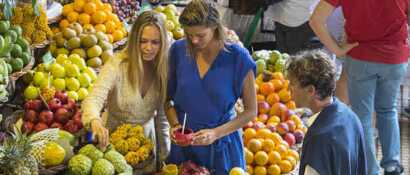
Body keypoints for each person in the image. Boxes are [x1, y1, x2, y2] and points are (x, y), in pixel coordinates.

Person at [309, 1, 409, 174]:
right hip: (395, 57)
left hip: (360, 57)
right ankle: (392, 165)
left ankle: (369, 170)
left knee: (362, 116)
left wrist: (337, 50)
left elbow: (315, 20)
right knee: (388, 110)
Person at [165, 0, 257, 174]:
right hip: (185, 146)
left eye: (200, 35)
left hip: (222, 147)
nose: (194, 40)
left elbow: (251, 111)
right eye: (189, 34)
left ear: (215, 27)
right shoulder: (178, 51)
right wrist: (175, 125)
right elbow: (167, 100)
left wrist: (216, 133)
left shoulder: (238, 58)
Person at [81, 11, 171, 173]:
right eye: (143, 41)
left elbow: (162, 120)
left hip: (144, 146)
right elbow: (94, 98)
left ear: (163, 43)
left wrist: (163, 158)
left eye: (155, 42)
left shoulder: (164, 69)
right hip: (111, 143)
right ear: (134, 39)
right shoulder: (117, 64)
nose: (148, 48)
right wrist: (94, 121)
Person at [286, 50, 367, 175]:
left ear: (310, 90)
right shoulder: (349, 115)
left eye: (293, 84)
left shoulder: (318, 138)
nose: (288, 88)